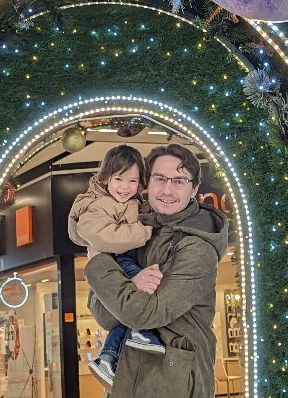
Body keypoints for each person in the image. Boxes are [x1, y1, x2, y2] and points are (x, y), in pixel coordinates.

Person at [85, 143, 229, 398]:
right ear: (147, 183)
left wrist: (99, 263)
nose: (167, 190)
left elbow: (144, 314)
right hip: (127, 380)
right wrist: (131, 287)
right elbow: (105, 316)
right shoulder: (135, 234)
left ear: (194, 188)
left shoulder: (198, 247)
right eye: (160, 179)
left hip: (173, 384)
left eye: (179, 181)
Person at [68, 144, 166, 390]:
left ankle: (108, 358)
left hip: (123, 257)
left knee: (123, 317)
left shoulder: (130, 202)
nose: (125, 187)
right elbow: (99, 235)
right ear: (106, 178)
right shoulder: (100, 203)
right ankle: (142, 329)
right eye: (118, 179)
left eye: (132, 181)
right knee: (138, 295)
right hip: (117, 259)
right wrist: (141, 233)